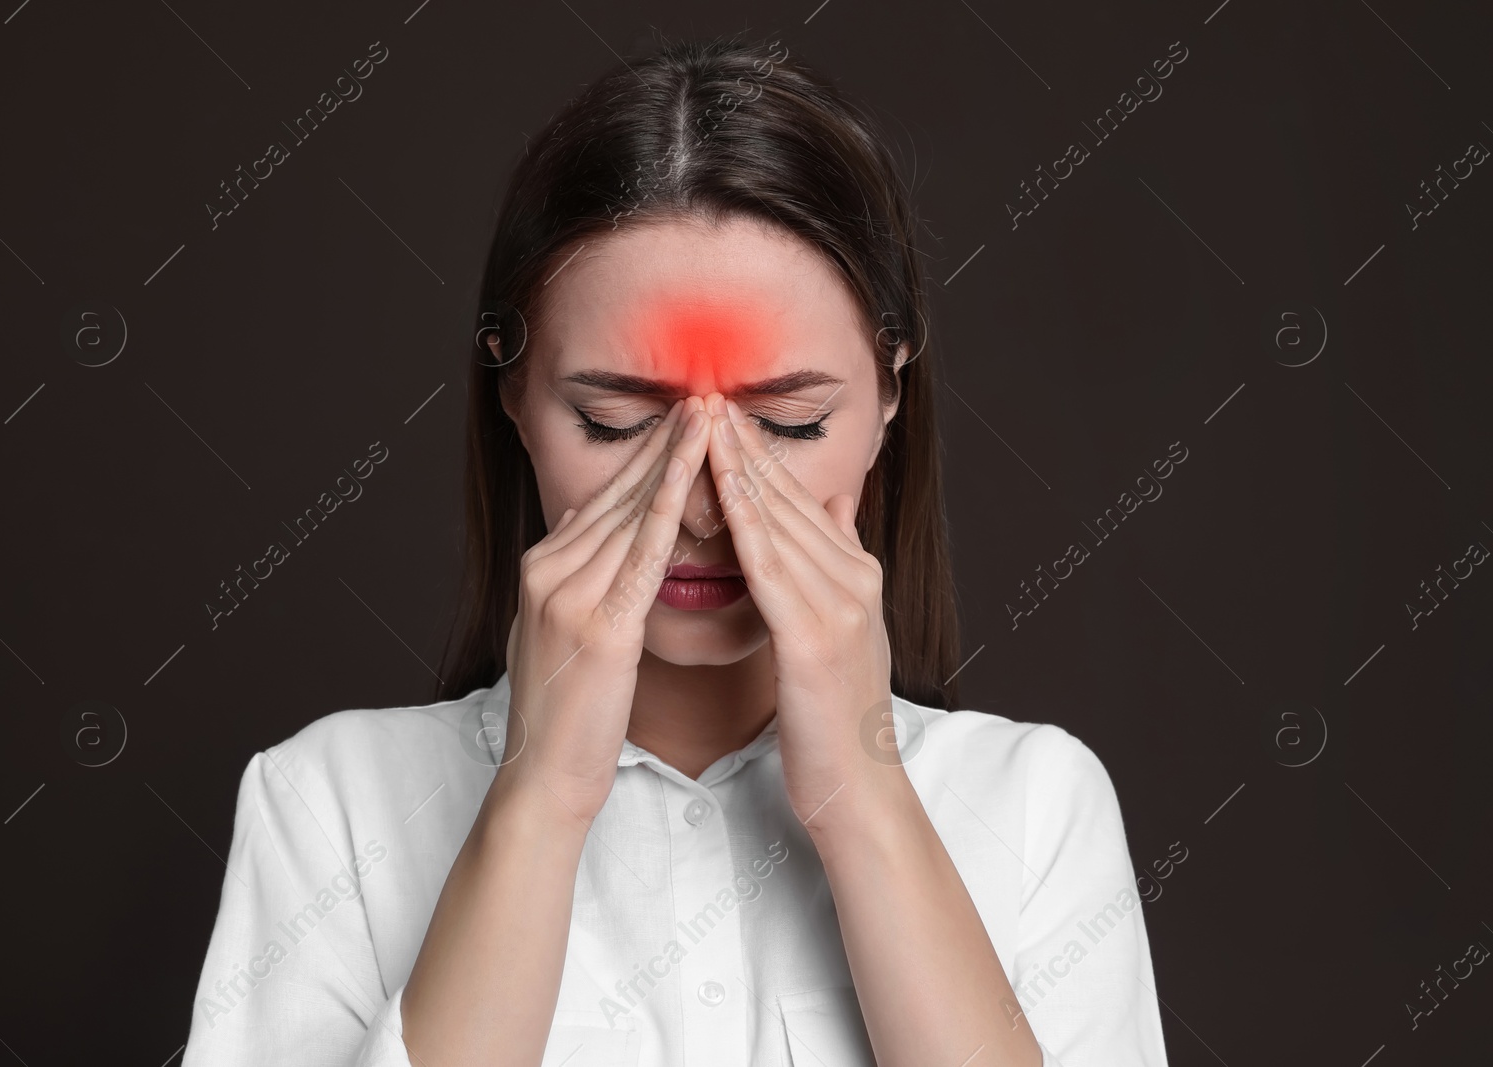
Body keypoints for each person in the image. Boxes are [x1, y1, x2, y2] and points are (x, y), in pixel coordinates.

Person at [180, 33, 1167, 1067]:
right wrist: (538, 801)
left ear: (886, 400)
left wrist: (864, 797)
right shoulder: (332, 802)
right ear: (515, 400)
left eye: (785, 426)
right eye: (615, 422)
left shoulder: (1037, 803)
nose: (701, 504)